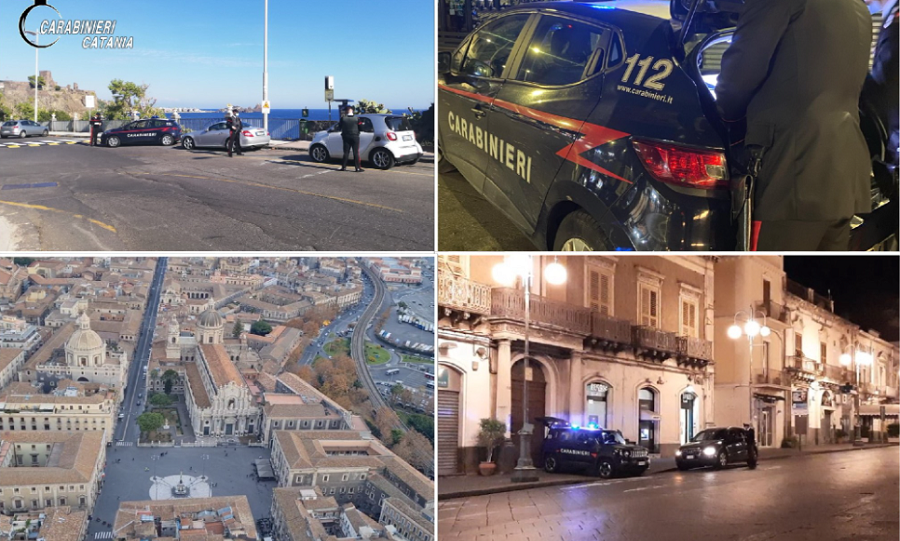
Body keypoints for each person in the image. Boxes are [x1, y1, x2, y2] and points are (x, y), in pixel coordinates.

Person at [715, 0, 873, 251]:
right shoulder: (858, 7)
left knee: (767, 266)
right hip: (844, 173)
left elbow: (739, 76)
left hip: (791, 171)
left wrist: (724, 120)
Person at [337, 106, 364, 172]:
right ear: (352, 111)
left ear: (346, 112)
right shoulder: (357, 119)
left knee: (346, 152)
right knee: (356, 153)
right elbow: (361, 128)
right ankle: (357, 168)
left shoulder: (343, 119)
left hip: (346, 137)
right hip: (355, 137)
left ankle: (343, 167)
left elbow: (339, 127)